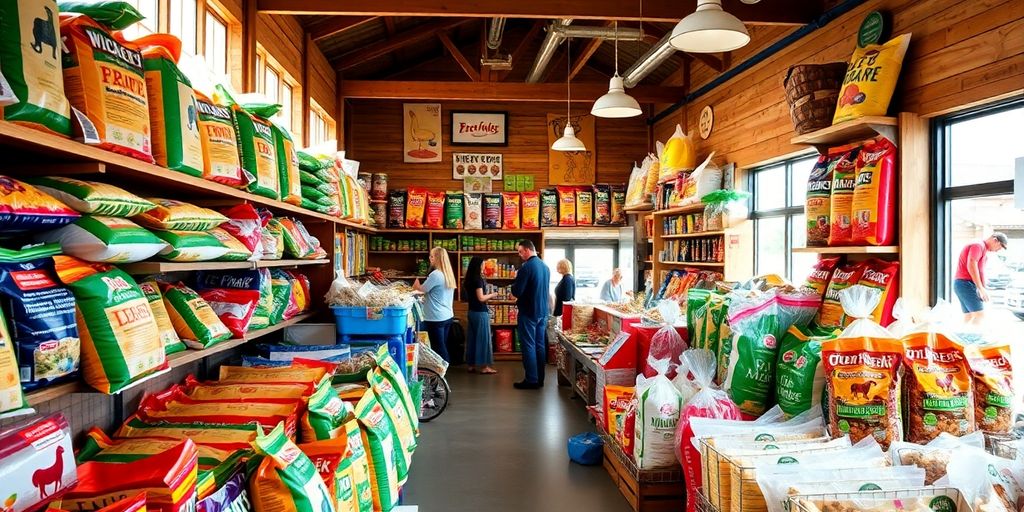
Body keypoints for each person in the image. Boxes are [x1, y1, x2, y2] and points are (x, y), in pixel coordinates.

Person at [510, 239, 550, 390]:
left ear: (527, 250)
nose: (520, 255)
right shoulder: (545, 267)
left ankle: (531, 379)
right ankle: (540, 378)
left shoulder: (526, 268)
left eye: (520, 252)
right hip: (542, 311)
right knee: (540, 345)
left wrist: (514, 284)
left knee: (528, 345)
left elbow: (517, 291)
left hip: (528, 311)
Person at [953, 232, 1007, 325]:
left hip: (963, 284)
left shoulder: (983, 250)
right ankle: (972, 339)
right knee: (979, 316)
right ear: (995, 240)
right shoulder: (978, 245)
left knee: (969, 316)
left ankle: (963, 338)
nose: (998, 250)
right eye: (1000, 246)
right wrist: (980, 288)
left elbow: (981, 271)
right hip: (965, 283)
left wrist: (983, 289)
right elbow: (971, 264)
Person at [413, 247, 456, 362]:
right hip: (447, 315)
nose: (430, 258)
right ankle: (443, 372)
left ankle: (440, 373)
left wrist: (416, 285)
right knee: (442, 345)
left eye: (432, 256)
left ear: (437, 258)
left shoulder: (436, 274)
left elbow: (422, 290)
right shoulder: (448, 274)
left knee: (438, 348)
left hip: (435, 317)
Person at [463, 256, 498, 375]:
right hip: (480, 312)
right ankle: (484, 367)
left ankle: (471, 365)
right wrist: (493, 294)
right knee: (484, 339)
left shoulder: (468, 279)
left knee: (472, 339)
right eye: (483, 264)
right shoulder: (478, 279)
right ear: (478, 266)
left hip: (471, 312)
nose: (484, 266)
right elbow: (481, 298)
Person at [548, 259, 576, 346]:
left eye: (558, 266)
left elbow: (567, 298)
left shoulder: (567, 279)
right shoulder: (567, 278)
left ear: (562, 267)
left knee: (555, 335)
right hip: (560, 310)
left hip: (562, 312)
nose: (556, 268)